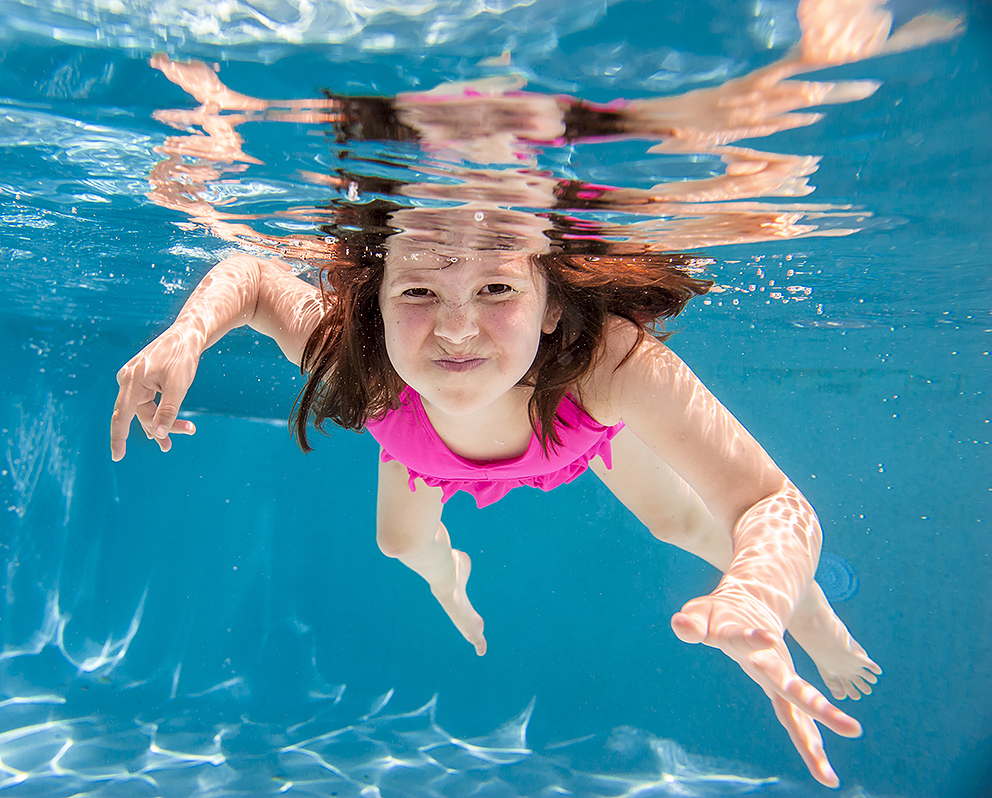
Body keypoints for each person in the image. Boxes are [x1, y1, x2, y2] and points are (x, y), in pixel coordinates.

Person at [112, 1, 962, 786]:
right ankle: (453, 576)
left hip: (566, 427)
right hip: (418, 445)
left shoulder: (607, 368)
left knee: (681, 520)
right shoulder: (365, 366)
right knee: (399, 545)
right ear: (372, 300)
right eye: (416, 293)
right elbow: (255, 278)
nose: (454, 331)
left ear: (553, 304)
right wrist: (189, 334)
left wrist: (758, 592)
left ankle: (810, 619)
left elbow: (773, 503)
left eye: (495, 290)